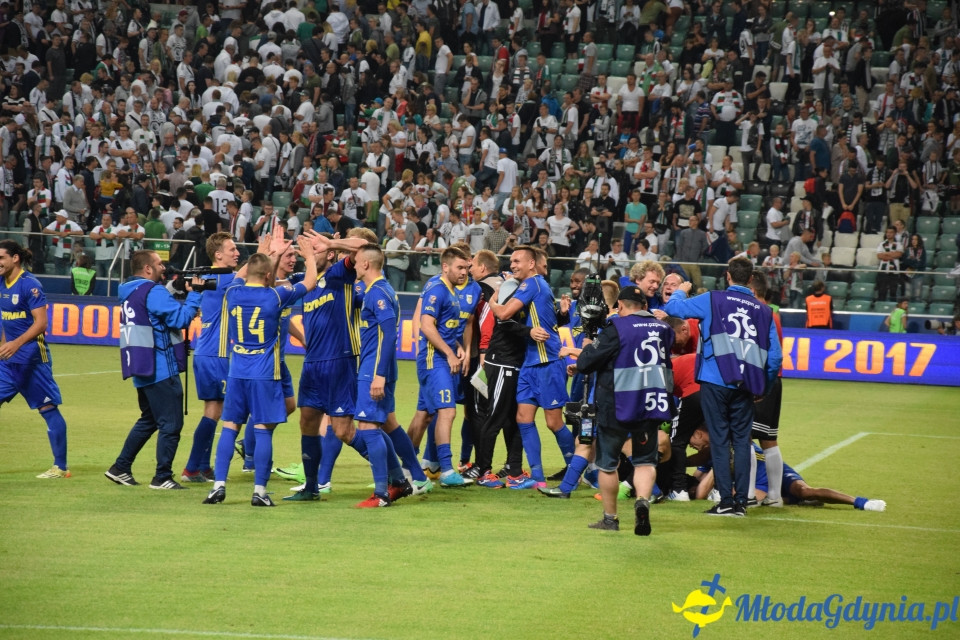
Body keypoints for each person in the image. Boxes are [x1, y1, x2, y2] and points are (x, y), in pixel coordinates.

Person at [664, 257, 782, 516]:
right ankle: (742, 502)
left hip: (714, 380)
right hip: (746, 384)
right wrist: (764, 386)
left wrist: (681, 290)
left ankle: (726, 501)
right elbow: (775, 357)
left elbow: (674, 308)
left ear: (728, 276)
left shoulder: (713, 299)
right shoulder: (765, 312)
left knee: (719, 439)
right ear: (750, 279)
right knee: (742, 441)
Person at [203, 240, 317, 506]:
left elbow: (243, 273)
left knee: (230, 427)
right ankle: (259, 492)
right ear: (268, 275)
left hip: (237, 372)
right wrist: (310, 257)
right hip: (265, 373)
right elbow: (310, 282)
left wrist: (263, 254)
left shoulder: (233, 291)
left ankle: (218, 486)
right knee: (263, 429)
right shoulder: (276, 295)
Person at [571, 285, 675, 534]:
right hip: (650, 404)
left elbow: (585, 363)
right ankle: (642, 501)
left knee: (608, 464)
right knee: (645, 461)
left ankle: (610, 518)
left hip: (616, 405)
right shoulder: (664, 329)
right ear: (645, 306)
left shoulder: (616, 328)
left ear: (619, 306)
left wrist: (589, 345)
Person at [105, 250, 204, 489]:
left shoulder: (129, 291)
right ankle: (162, 477)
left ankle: (120, 467)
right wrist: (195, 295)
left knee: (149, 420)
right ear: (148, 269)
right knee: (171, 424)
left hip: (142, 364)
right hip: (160, 366)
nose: (163, 267)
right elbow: (180, 319)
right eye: (159, 264)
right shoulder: (153, 291)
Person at [487, 246, 574, 489]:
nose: (512, 265)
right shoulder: (535, 285)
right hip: (530, 362)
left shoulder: (532, 283)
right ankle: (537, 477)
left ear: (531, 264)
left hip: (548, 361)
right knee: (523, 418)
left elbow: (504, 313)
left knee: (553, 422)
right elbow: (545, 317)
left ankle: (576, 469)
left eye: (517, 261)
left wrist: (492, 300)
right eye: (511, 261)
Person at [350, 243, 416, 507]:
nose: (354, 265)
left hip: (374, 369)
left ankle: (381, 494)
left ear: (366, 264)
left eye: (356, 261)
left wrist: (378, 375)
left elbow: (389, 335)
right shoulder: (380, 289)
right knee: (375, 426)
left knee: (368, 428)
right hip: (378, 368)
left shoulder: (378, 293)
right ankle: (398, 481)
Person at [0, 240, 70, 478]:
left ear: (15, 258)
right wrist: (4, 345)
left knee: (47, 408)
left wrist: (15, 343)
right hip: (7, 363)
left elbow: (41, 324)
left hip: (32, 361)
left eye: (1, 258)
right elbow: (6, 319)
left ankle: (60, 467)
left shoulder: (30, 285)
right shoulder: (1, 283)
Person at [688, 429, 886, 511]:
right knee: (743, 497)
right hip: (754, 481)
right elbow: (698, 484)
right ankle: (795, 500)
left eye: (691, 442)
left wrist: (718, 464)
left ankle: (861, 502)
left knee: (805, 491)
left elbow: (701, 493)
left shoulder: (731, 448)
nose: (691, 446)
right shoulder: (713, 450)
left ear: (699, 434)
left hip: (771, 474)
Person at [406, 246, 473, 487]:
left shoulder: (451, 290)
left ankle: (403, 468)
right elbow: (426, 325)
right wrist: (449, 353)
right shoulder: (437, 289)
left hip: (440, 357)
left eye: (466, 268)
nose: (464, 272)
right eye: (459, 267)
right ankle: (446, 470)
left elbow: (444, 328)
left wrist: (457, 345)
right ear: (445, 267)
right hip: (433, 360)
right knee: (448, 411)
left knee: (424, 416)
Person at [180, 232, 240, 482]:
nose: (237, 253)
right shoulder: (226, 279)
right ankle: (192, 468)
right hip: (216, 353)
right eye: (232, 249)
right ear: (218, 255)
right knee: (215, 412)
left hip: (207, 351)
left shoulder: (207, 278)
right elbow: (256, 274)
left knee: (214, 410)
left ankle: (203, 466)